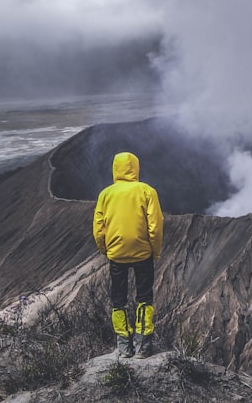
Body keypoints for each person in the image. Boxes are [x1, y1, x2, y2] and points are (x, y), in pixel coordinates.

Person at [93, 151, 164, 359]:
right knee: (144, 298)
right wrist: (155, 250)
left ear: (115, 169)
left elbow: (98, 228)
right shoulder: (147, 191)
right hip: (143, 254)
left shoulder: (105, 194)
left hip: (116, 255)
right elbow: (155, 226)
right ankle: (143, 347)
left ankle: (124, 348)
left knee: (118, 300)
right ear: (136, 168)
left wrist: (106, 250)